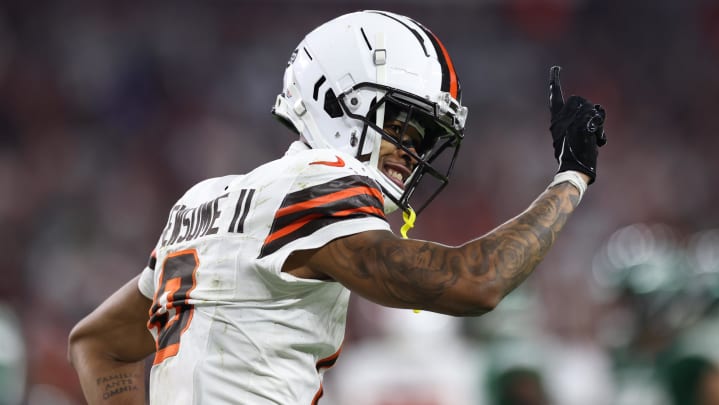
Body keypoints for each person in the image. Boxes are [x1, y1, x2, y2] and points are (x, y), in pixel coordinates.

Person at [67, 10, 607, 405]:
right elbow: (475, 281)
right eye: (398, 126)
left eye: (422, 138)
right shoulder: (314, 187)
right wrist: (571, 178)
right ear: (333, 100)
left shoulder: (203, 201)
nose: (412, 153)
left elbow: (96, 343)